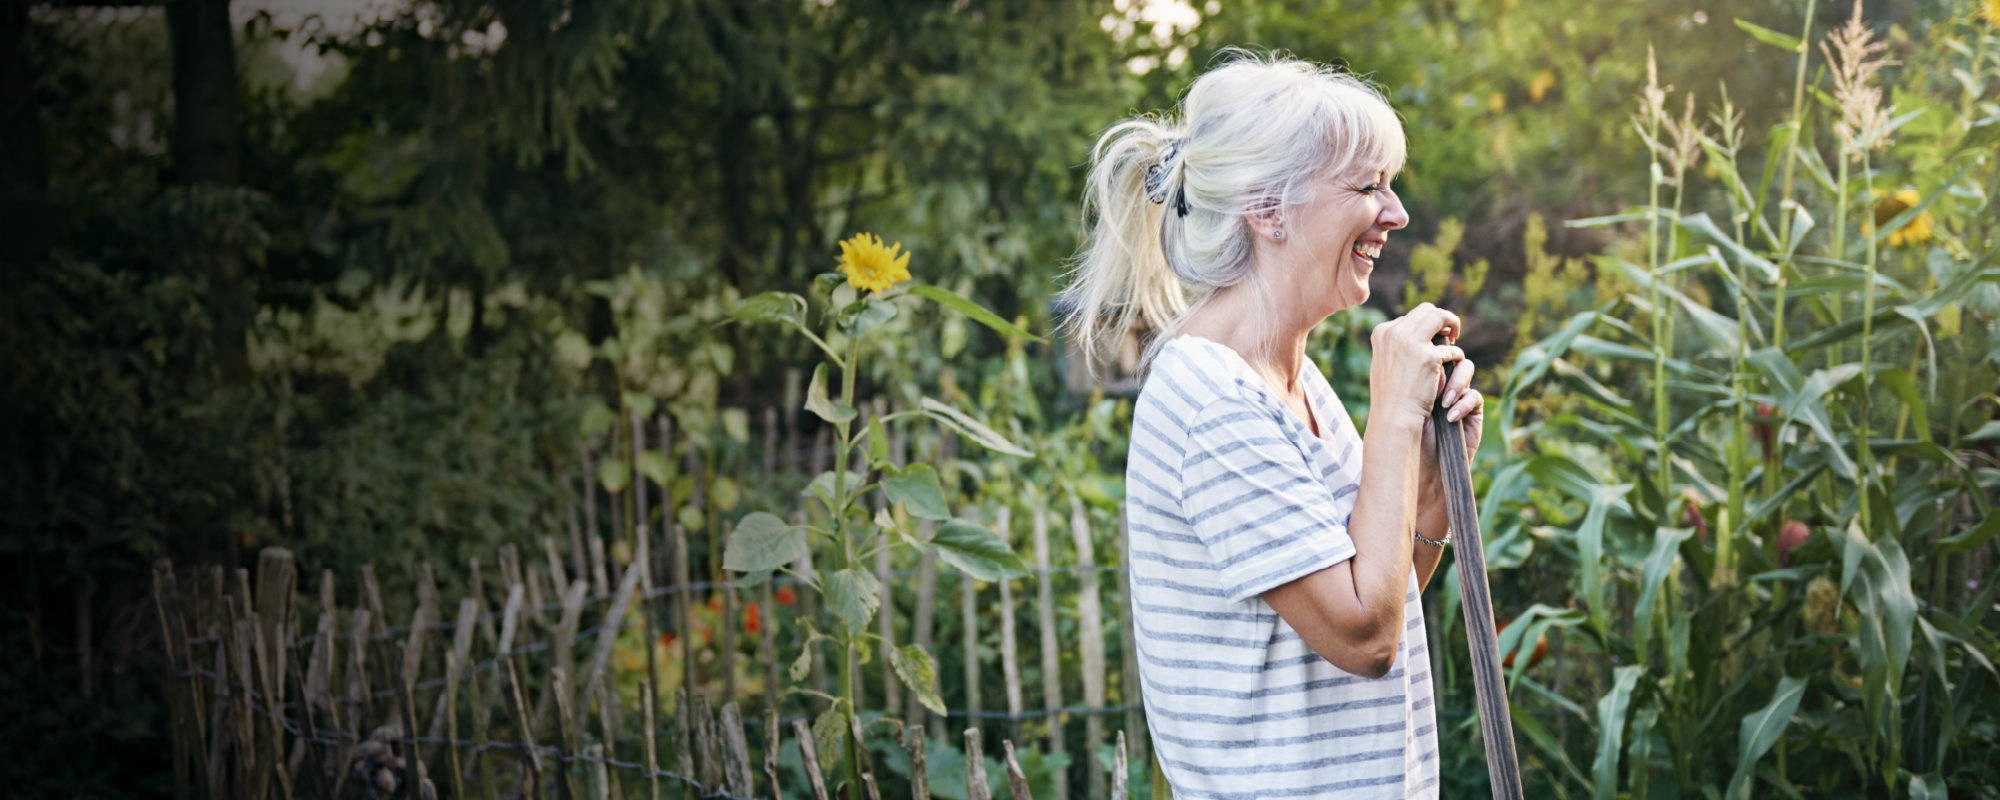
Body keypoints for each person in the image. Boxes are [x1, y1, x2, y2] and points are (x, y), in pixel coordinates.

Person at [1060, 52, 1483, 799]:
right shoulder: (1211, 400)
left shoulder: (1295, 382)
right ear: (1268, 210)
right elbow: (1365, 639)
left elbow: (1376, 595)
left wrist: (1427, 492)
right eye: (1367, 186)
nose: (1397, 213)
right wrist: (1390, 414)